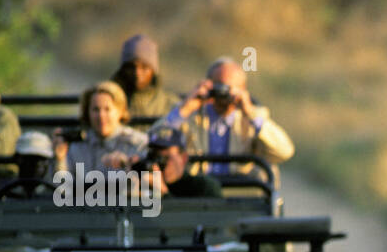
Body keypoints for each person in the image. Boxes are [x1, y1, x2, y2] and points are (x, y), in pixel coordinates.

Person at [161, 57, 294, 178]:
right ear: (207, 85)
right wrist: (186, 109)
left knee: (270, 171)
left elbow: (284, 152)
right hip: (199, 189)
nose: (223, 93)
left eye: (230, 88)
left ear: (243, 90)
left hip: (239, 191)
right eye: (219, 86)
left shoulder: (253, 118)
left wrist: (251, 114)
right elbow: (155, 139)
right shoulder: (189, 114)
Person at [53, 80, 148, 176]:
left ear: (120, 111)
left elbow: (146, 184)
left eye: (107, 109)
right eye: (96, 109)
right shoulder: (77, 146)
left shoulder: (137, 144)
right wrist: (60, 159)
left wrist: (126, 164)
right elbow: (62, 187)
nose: (101, 116)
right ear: (87, 113)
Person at [111, 34, 178, 120]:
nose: (137, 73)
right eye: (131, 67)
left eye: (144, 67)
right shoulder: (108, 105)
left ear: (153, 71)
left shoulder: (171, 106)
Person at [142, 126, 222, 198]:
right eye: (154, 157)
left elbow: (185, 213)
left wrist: (162, 192)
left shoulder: (203, 187)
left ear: (183, 158)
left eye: (166, 158)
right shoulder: (144, 182)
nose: (159, 163)